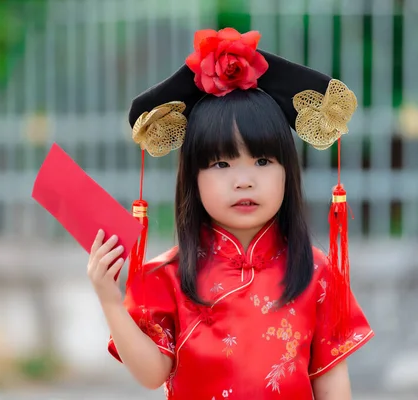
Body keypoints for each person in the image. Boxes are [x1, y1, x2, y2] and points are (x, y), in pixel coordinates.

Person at [86, 27, 374, 399]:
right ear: (193, 177)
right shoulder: (168, 275)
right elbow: (151, 373)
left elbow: (332, 384)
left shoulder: (316, 274)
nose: (244, 181)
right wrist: (109, 298)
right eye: (221, 164)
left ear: (288, 171)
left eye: (263, 160)